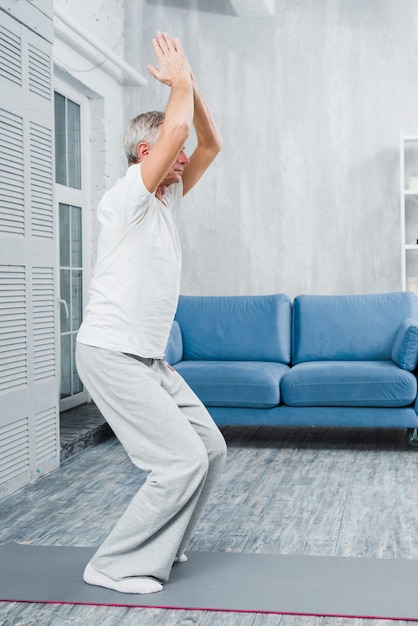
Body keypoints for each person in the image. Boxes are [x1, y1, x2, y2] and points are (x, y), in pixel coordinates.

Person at [75, 31, 226, 595]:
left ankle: (166, 540)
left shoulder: (167, 197)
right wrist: (177, 87)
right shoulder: (126, 200)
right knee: (179, 461)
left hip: (148, 359)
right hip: (112, 353)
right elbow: (181, 131)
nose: (184, 162)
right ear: (148, 154)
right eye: (171, 153)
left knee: (210, 451)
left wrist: (191, 82)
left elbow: (207, 142)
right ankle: (114, 563)